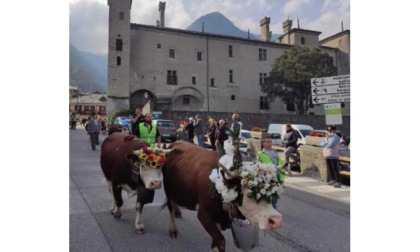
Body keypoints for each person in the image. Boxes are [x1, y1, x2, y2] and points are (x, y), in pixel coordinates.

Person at [257, 136, 286, 209]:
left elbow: (279, 163)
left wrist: (285, 168)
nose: (270, 144)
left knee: (274, 197)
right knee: (266, 197)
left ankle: (273, 211)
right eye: (267, 142)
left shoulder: (275, 152)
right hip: (266, 179)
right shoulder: (260, 154)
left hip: (276, 178)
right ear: (263, 143)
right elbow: (258, 166)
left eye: (271, 142)